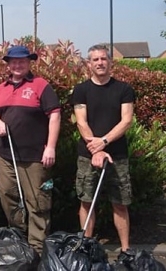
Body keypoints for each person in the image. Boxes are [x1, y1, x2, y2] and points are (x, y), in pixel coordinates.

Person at [0, 45, 61, 254]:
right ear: (8, 65)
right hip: (6, 156)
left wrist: (51, 148)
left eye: (21, 61)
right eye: (13, 61)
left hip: (35, 157)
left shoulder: (41, 86)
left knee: (37, 202)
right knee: (8, 197)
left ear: (29, 63)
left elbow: (54, 116)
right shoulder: (1, 88)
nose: (17, 65)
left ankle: (37, 248)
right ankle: (19, 240)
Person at [72, 44, 136, 261]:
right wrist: (95, 149)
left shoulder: (124, 89)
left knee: (120, 203)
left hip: (117, 155)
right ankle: (87, 249)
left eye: (103, 59)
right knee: (87, 201)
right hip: (88, 154)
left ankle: (125, 250)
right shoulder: (81, 90)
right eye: (95, 60)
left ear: (110, 62)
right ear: (88, 64)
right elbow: (81, 122)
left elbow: (126, 120)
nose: (100, 63)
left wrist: (104, 142)